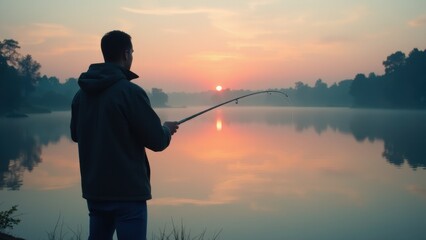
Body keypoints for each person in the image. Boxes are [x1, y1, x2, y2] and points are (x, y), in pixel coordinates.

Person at [70, 30, 179, 240]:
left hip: (95, 191)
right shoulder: (130, 92)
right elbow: (157, 141)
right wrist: (166, 129)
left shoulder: (80, 95)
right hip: (128, 193)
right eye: (132, 53)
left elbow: (76, 135)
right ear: (126, 54)